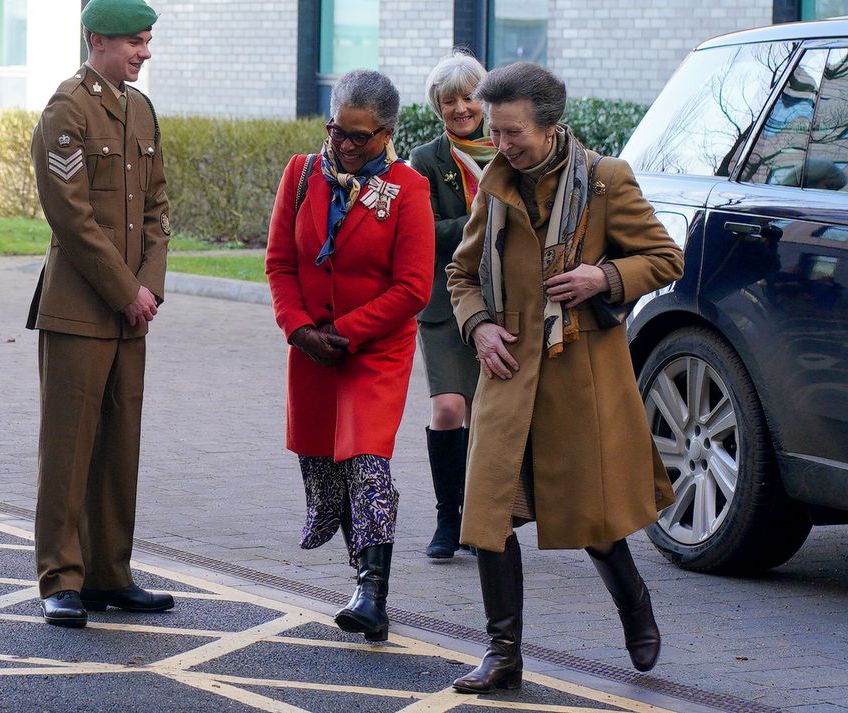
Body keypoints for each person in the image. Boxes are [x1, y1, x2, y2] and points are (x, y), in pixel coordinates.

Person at [445, 62, 684, 691]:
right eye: (494, 132)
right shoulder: (493, 184)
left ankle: (635, 605)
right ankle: (502, 654)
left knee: (591, 517)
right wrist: (479, 327)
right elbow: (461, 275)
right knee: (489, 515)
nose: (500, 145)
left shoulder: (606, 182)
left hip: (577, 373)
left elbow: (665, 258)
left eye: (513, 132)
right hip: (505, 367)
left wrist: (602, 278)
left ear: (551, 127)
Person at [265, 69, 435, 642]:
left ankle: (371, 593)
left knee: (366, 462)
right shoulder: (301, 173)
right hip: (312, 347)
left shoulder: (408, 189)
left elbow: (413, 288)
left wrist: (345, 331)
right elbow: (280, 263)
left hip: (374, 348)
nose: (344, 145)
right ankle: (356, 575)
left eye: (360, 137)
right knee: (326, 467)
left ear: (386, 133)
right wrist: (298, 328)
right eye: (338, 130)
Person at [26, 0, 174, 628]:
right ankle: (62, 578)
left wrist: (150, 287)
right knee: (69, 448)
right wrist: (125, 289)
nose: (143, 52)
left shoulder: (140, 109)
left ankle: (110, 575)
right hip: (80, 310)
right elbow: (71, 216)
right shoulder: (68, 109)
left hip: (129, 312)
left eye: (145, 41)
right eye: (134, 42)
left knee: (120, 446)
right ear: (97, 41)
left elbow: (159, 208)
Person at [408, 51, 495, 560]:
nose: (461, 108)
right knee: (449, 407)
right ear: (437, 107)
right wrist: (482, 223)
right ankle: (448, 518)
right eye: (449, 101)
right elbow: (423, 233)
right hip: (444, 302)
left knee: (489, 416)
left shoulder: (509, 150)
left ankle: (483, 521)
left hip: (503, 303)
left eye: (468, 97)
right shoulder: (427, 159)